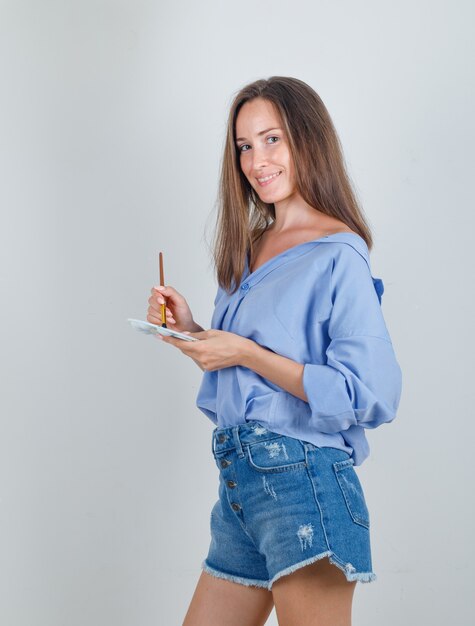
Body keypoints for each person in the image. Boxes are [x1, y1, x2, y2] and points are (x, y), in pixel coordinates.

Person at [146, 76, 402, 626]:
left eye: (272, 139)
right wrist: (189, 328)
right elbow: (237, 367)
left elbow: (370, 393)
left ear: (308, 140)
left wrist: (246, 353)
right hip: (240, 486)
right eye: (244, 146)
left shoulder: (340, 253)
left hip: (304, 480)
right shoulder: (248, 250)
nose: (256, 160)